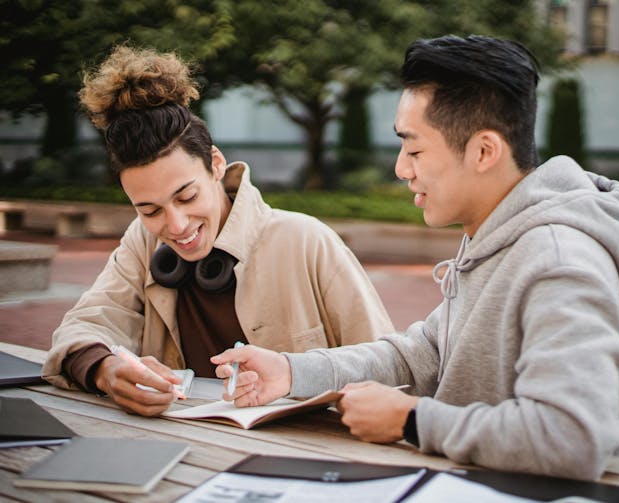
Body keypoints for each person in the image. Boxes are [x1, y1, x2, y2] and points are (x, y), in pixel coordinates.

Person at [211, 35, 619, 480]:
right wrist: (290, 371)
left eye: (415, 149)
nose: (402, 168)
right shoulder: (496, 237)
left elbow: (574, 439)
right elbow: (421, 356)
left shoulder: (558, 260)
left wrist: (412, 420)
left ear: (483, 151)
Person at [42, 45, 394, 417]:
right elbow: (82, 327)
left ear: (216, 164)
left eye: (187, 196)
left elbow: (388, 365)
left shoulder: (307, 240)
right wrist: (105, 370)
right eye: (150, 209)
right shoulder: (142, 241)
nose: (175, 226)